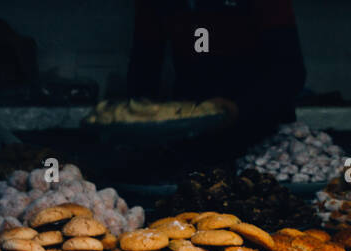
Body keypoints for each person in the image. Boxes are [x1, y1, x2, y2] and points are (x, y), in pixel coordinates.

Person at [127, 0, 306, 145]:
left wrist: (239, 108)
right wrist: (137, 121)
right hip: (190, 133)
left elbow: (290, 72)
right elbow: (144, 66)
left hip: (263, 136)